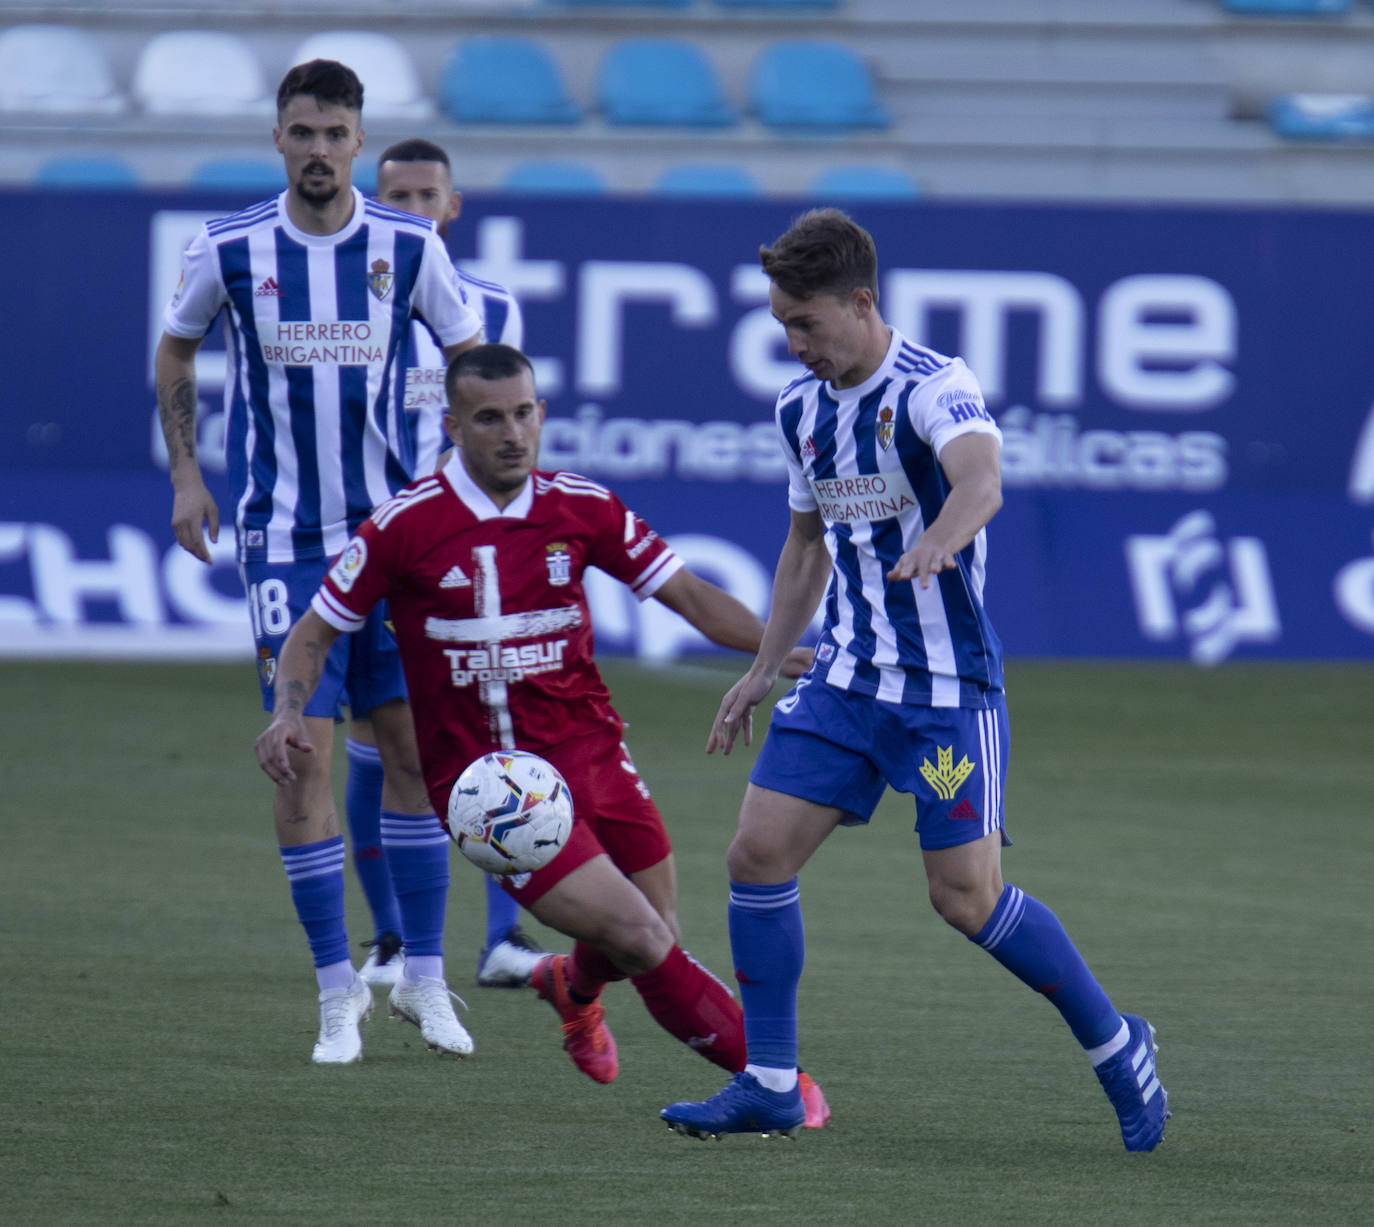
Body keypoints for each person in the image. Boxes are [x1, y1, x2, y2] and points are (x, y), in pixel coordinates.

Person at [659, 209, 1169, 1151]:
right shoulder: (798, 409)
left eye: (806, 323)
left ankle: (1116, 1043)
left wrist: (944, 534)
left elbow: (982, 480)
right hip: (847, 683)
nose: (793, 343)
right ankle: (771, 1081)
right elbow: (806, 542)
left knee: (964, 898)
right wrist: (765, 665)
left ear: (861, 303)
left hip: (945, 695)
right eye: (782, 326)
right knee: (756, 853)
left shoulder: (934, 385)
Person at [255, 344, 829, 1126]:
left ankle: (573, 985)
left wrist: (775, 651)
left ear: (542, 414)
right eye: (490, 418)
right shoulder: (402, 526)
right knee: (638, 934)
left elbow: (688, 592)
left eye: (524, 412)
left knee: (656, 927)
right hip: (489, 788)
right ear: (454, 425)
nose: (513, 433)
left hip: (590, 748)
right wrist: (290, 708)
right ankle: (780, 1084)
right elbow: (314, 631)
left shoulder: (582, 505)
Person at [155, 59, 483, 1065]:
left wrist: (470, 499)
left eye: (335, 134)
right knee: (299, 754)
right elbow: (177, 352)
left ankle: (425, 979)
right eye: (301, 132)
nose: (318, 150)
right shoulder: (229, 248)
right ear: (279, 138)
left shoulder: (408, 245)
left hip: (398, 543)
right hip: (287, 542)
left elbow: (474, 363)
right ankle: (335, 992)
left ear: (358, 141)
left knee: (417, 756)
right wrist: (187, 477)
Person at [341, 137, 544, 992]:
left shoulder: (493, 306)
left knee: (493, 733)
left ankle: (502, 936)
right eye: (399, 196)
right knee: (378, 741)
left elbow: (514, 433)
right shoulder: (352, 304)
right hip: (388, 540)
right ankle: (389, 938)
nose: (417, 209)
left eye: (430, 194)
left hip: (472, 552)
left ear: (454, 207)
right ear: (376, 206)